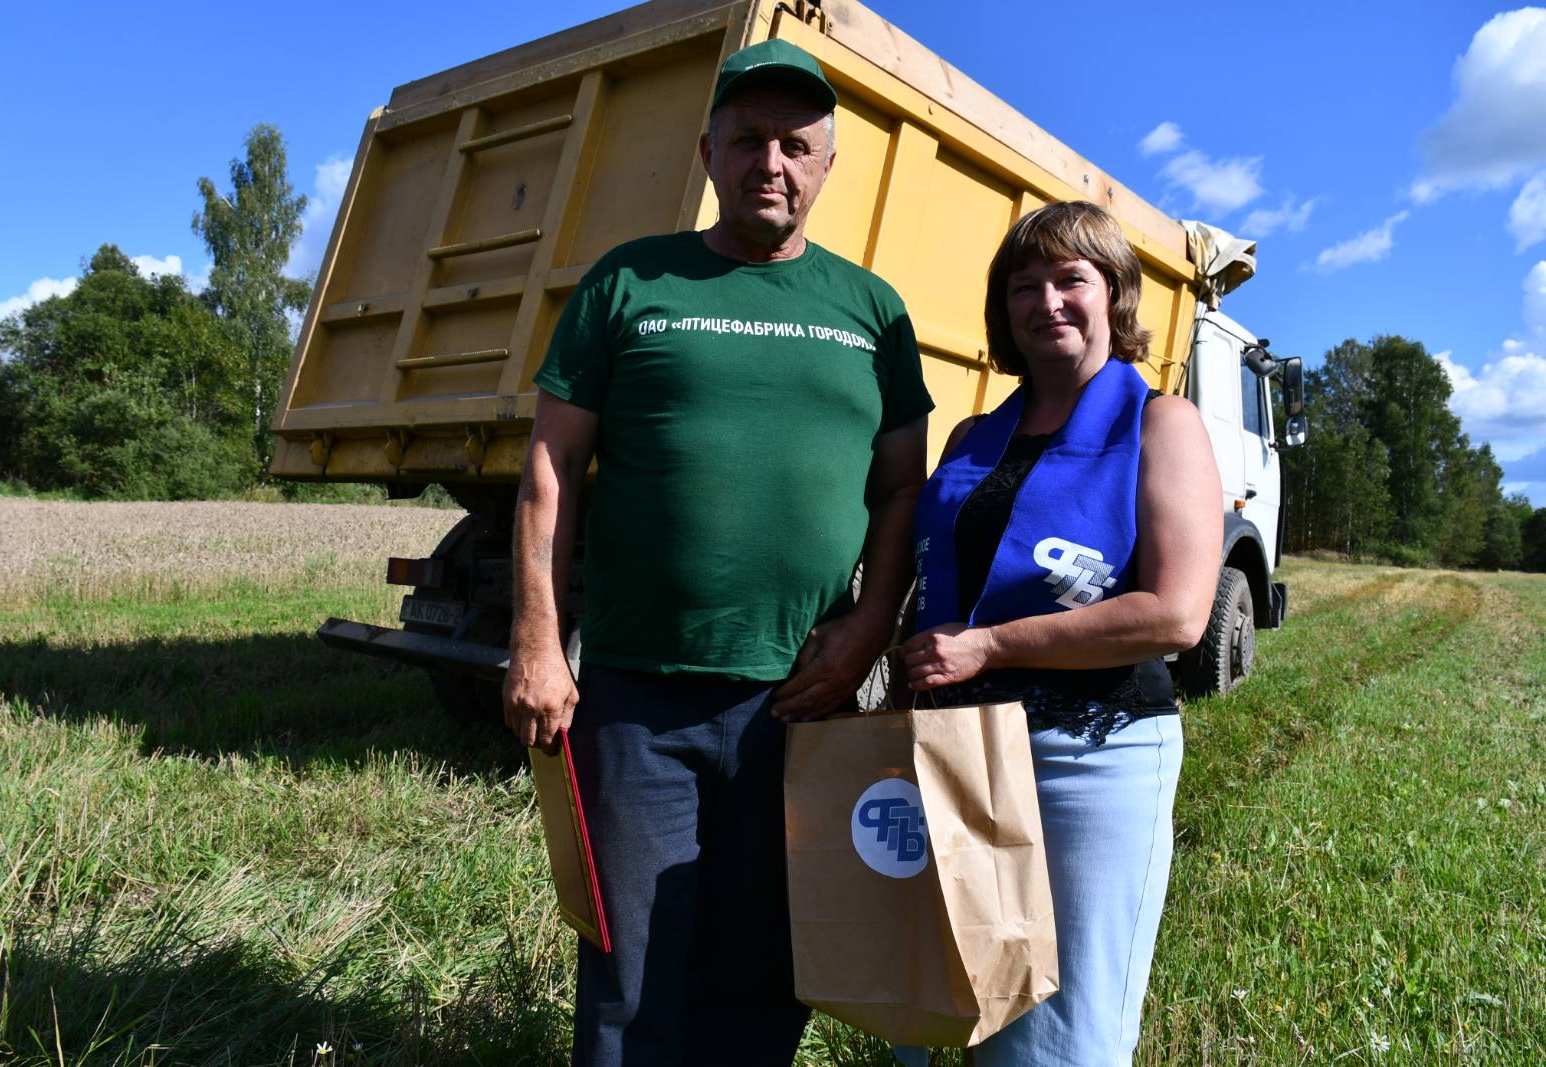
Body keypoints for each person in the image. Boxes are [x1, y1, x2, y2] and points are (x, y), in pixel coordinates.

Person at [502, 39, 933, 1067]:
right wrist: (536, 640)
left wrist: (868, 626)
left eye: (795, 144)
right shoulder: (629, 282)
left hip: (802, 698)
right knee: (631, 964)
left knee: (769, 958)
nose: (769, 163)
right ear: (707, 152)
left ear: (827, 165)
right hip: (638, 695)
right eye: (747, 141)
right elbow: (550, 470)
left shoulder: (871, 312)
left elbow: (902, 487)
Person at [897, 201, 1221, 1067]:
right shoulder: (972, 437)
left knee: (1060, 1029)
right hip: (962, 749)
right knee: (964, 1000)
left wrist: (991, 647)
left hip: (1091, 753)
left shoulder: (1161, 425)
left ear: (1114, 295)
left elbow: (1179, 614)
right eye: (1024, 285)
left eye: (1072, 279)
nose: (1048, 301)